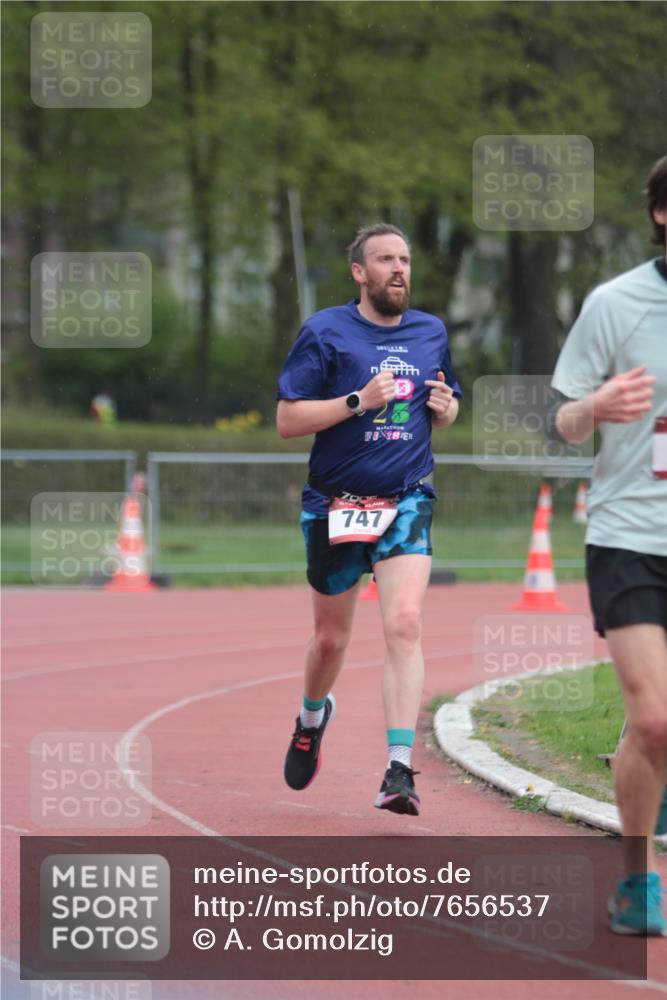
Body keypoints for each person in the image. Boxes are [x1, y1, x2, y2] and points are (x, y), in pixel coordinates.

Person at [276, 223, 462, 815]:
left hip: (407, 498)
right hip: (334, 503)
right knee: (331, 640)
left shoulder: (430, 331)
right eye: (385, 260)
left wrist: (447, 408)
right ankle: (311, 717)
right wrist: (360, 401)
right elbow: (288, 419)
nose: (398, 269)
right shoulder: (325, 331)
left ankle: (399, 770)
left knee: (404, 622)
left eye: (404, 259)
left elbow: (447, 403)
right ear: (360, 272)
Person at [550, 155, 667, 935]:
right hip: (630, 536)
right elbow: (560, 423)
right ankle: (635, 880)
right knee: (653, 721)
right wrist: (595, 403)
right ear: (661, 214)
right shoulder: (613, 303)